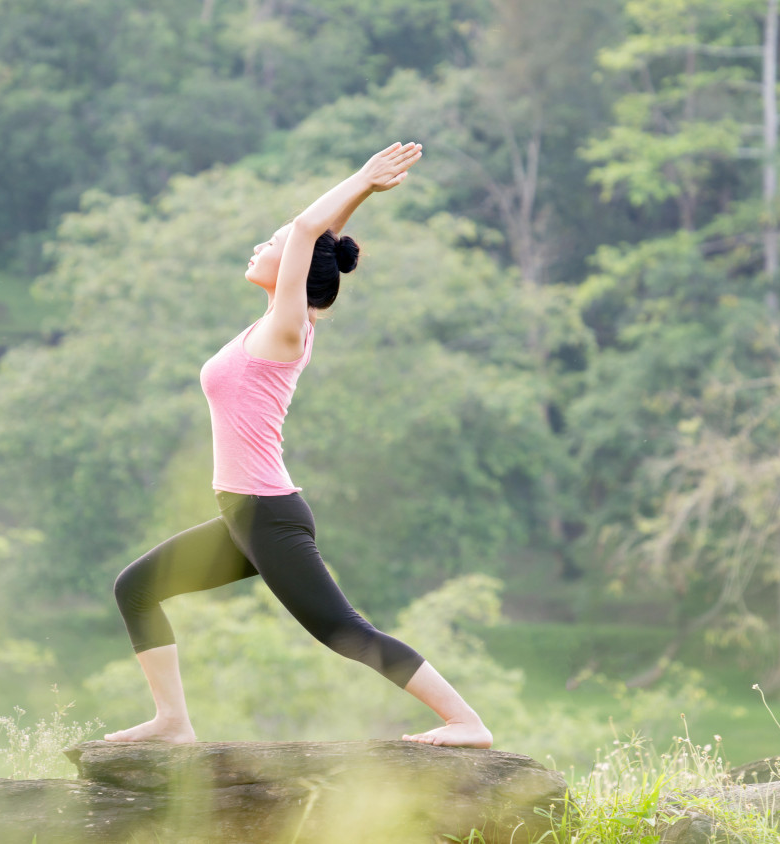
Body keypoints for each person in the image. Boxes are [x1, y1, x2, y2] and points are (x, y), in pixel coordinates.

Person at [105, 142, 492, 749]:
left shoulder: (289, 327)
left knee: (343, 630)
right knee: (137, 587)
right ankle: (173, 722)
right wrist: (350, 203)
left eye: (274, 243)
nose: (263, 245)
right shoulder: (269, 321)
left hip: (268, 516)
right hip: (243, 515)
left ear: (292, 268)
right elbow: (315, 234)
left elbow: (310, 229)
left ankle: (467, 721)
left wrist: (363, 180)